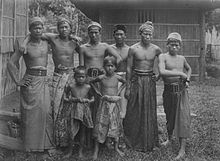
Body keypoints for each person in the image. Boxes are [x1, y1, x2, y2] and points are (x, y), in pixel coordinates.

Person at [22, 17, 80, 147]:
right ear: (58, 29)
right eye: (61, 27)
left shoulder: (74, 42)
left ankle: (74, 139)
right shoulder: (52, 38)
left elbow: (83, 54)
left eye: (66, 27)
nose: (64, 29)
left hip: (71, 76)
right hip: (57, 75)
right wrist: (24, 43)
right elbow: (33, 32)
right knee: (56, 107)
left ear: (70, 28)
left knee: (72, 106)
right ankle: (59, 140)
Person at [7, 17, 54, 153]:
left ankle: (45, 145)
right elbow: (10, 63)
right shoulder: (24, 47)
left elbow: (60, 36)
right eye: (35, 28)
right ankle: (29, 146)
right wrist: (18, 81)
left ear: (43, 29)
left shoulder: (46, 42)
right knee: (30, 114)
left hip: (44, 81)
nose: (38, 30)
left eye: (40, 27)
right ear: (30, 30)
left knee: (45, 112)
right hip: (31, 81)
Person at [79, 21, 122, 148]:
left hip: (101, 80)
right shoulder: (83, 48)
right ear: (88, 33)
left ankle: (102, 139)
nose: (93, 35)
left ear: (100, 33)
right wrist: (85, 80)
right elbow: (81, 66)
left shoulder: (105, 47)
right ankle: (88, 140)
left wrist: (107, 71)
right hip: (88, 80)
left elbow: (118, 58)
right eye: (91, 32)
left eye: (96, 32)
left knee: (101, 108)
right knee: (88, 108)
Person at [123, 21, 162, 152]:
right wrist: (128, 87)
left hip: (149, 81)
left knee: (149, 109)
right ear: (140, 34)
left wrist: (158, 74)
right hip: (136, 80)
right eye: (145, 34)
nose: (148, 37)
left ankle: (150, 140)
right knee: (134, 108)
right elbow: (128, 68)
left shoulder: (156, 49)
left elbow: (161, 63)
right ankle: (132, 140)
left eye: (150, 34)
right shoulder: (133, 49)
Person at [158, 32, 192, 160]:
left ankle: (182, 150)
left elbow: (189, 69)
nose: (174, 47)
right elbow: (162, 71)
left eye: (177, 45)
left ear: (180, 46)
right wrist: (181, 74)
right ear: (167, 45)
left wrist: (187, 79)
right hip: (168, 91)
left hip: (181, 92)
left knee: (182, 119)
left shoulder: (182, 58)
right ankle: (169, 138)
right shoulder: (163, 57)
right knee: (170, 117)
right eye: (172, 44)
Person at [90, 56, 126, 160]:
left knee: (115, 124)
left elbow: (125, 83)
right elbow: (92, 82)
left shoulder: (117, 77)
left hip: (114, 104)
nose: (109, 68)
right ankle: (96, 150)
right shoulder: (101, 78)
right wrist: (97, 92)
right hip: (104, 104)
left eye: (112, 66)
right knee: (100, 124)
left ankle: (116, 147)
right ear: (104, 67)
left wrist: (119, 92)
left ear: (115, 67)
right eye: (107, 66)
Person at [62, 66, 94, 159]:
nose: (80, 79)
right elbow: (64, 96)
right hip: (73, 109)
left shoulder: (88, 87)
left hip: (84, 110)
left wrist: (88, 101)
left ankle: (81, 151)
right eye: (78, 76)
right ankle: (70, 151)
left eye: (83, 76)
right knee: (72, 131)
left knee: (83, 132)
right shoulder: (71, 86)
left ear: (86, 77)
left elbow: (93, 98)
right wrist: (71, 99)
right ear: (74, 77)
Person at [111, 24, 129, 119]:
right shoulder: (109, 49)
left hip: (125, 78)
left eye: (121, 34)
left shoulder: (129, 50)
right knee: (112, 103)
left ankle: (123, 128)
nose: (119, 37)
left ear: (125, 35)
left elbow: (131, 67)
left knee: (123, 104)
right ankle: (113, 130)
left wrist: (129, 83)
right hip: (112, 77)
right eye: (117, 34)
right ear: (113, 35)